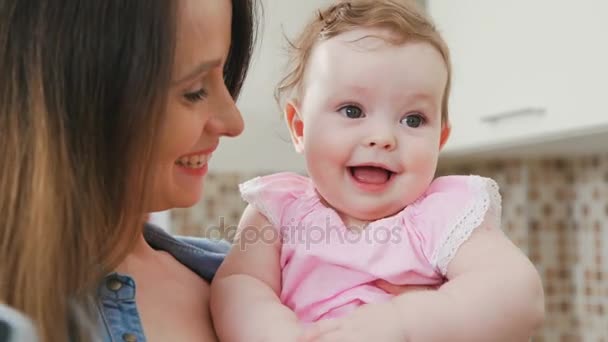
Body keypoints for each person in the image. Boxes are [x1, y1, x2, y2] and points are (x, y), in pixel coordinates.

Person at [210, 0, 545, 341]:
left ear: (439, 139)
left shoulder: (443, 216)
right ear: (300, 128)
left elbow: (517, 289)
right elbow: (239, 285)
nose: (382, 138)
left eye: (413, 119)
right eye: (352, 111)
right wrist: (276, 333)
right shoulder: (277, 211)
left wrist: (407, 323)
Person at [0, 0, 257, 341]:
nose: (233, 122)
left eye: (223, 75)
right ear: (75, 97)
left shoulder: (247, 281)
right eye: (194, 91)